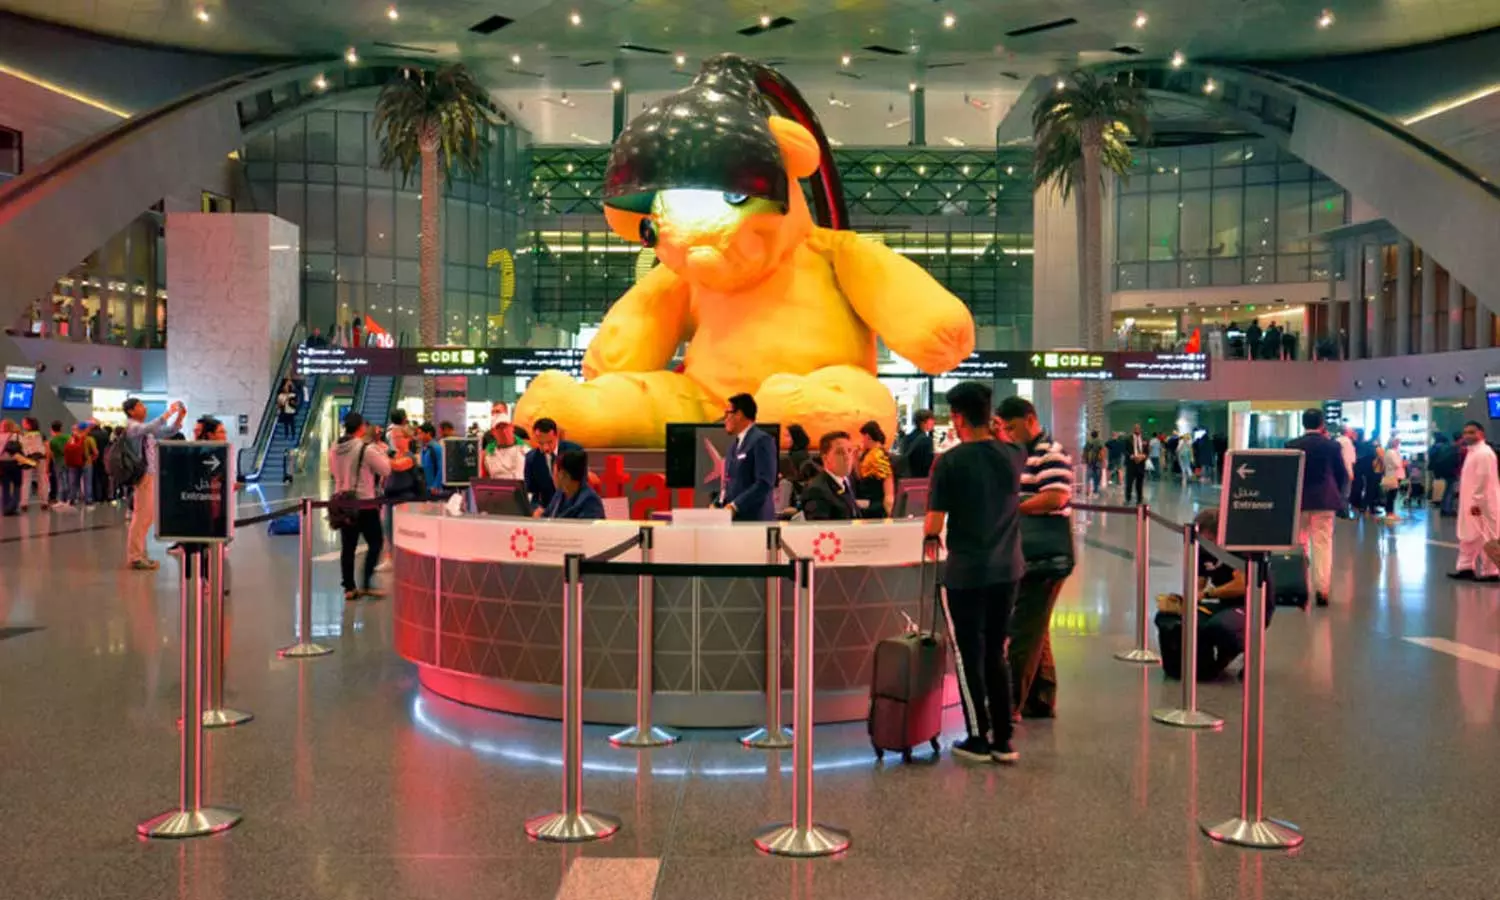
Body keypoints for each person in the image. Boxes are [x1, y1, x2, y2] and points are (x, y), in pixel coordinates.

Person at [923, 381, 1024, 765]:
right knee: (997, 651)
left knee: (969, 655)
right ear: (990, 415)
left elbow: (934, 523)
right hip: (1008, 569)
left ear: (957, 418)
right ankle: (1004, 740)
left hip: (967, 572)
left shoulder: (949, 462)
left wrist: (930, 533)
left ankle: (978, 738)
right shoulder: (1014, 454)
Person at [997, 396, 1074, 721]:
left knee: (1023, 632)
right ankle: (1041, 698)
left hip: (1047, 557)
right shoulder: (1020, 454)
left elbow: (1056, 497)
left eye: (1013, 427)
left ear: (1030, 419)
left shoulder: (1051, 453)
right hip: (1028, 554)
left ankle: (1008, 705)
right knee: (1035, 627)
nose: (1009, 433)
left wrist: (1012, 507)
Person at [330, 412, 413, 601]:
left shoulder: (335, 447)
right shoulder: (365, 449)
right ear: (361, 427)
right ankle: (366, 583)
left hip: (343, 502)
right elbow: (386, 469)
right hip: (365, 503)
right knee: (375, 542)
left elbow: (334, 471)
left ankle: (349, 588)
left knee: (348, 546)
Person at [1287, 408, 1349, 607]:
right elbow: (1341, 473)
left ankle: (1300, 586)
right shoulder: (1332, 446)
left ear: (1303, 423)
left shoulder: (1291, 445)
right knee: (1322, 544)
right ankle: (1322, 589)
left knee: (1299, 543)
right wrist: (1338, 495)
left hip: (1299, 501)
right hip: (1324, 501)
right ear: (1322, 424)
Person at [124, 398, 187, 570]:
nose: (144, 408)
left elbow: (169, 431)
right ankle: (135, 556)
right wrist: (169, 412)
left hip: (150, 475)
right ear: (131, 411)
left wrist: (179, 417)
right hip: (143, 476)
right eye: (140, 406)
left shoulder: (145, 430)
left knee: (147, 515)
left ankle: (139, 553)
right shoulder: (133, 427)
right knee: (142, 516)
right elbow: (151, 427)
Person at [1448, 422, 1499, 583]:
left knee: (1486, 536)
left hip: (1482, 504)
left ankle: (1491, 571)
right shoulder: (1473, 452)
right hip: (1471, 503)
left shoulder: (1484, 453)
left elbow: (1483, 478)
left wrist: (1476, 501)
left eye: (1471, 432)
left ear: (1481, 434)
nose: (1467, 436)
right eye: (1465, 433)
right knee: (1468, 535)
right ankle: (1465, 568)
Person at [716, 393, 776, 522]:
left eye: (727, 414)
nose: (725, 420)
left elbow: (764, 482)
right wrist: (717, 503)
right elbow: (729, 484)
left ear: (739, 414)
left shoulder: (761, 440)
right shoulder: (733, 446)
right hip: (735, 521)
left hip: (755, 521)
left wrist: (735, 506)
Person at [523, 417, 581, 509]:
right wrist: (536, 508)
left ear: (556, 435)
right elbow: (531, 491)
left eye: (550, 442)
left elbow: (581, 485)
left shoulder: (574, 451)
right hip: (547, 509)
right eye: (540, 443)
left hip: (573, 507)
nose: (545, 448)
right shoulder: (531, 458)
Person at [800, 431, 859, 521]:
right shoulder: (816, 490)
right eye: (840, 452)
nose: (847, 457)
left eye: (849, 450)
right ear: (825, 458)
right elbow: (819, 527)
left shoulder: (848, 480)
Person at [541, 449, 605, 519]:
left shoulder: (590, 501)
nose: (552, 477)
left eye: (554, 473)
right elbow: (545, 517)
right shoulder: (559, 494)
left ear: (564, 475)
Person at [854, 420, 894, 518]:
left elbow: (887, 478)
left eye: (862, 437)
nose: (862, 441)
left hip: (875, 503)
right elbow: (860, 475)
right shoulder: (872, 453)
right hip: (871, 500)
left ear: (868, 437)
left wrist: (889, 503)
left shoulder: (876, 455)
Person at [481, 410, 526, 480]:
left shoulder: (526, 451)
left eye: (506, 426)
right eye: (499, 428)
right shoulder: (488, 456)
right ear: (493, 432)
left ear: (512, 427)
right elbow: (483, 480)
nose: (504, 431)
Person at [62, 422, 97, 510]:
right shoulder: (89, 439)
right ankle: (88, 500)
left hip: (73, 463)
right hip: (86, 463)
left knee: (73, 482)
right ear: (86, 429)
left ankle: (72, 499)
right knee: (87, 482)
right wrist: (91, 459)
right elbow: (96, 452)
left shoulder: (72, 439)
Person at [18, 416, 47, 511]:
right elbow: (46, 446)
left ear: (29, 425)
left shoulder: (22, 435)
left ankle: (24, 503)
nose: (22, 424)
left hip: (28, 458)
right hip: (40, 458)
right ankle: (44, 502)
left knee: (26, 480)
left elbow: (21, 448)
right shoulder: (41, 434)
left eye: (24, 423)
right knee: (42, 479)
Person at [1380, 436, 1407, 523]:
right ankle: (1389, 513)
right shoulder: (1391, 452)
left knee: (1392, 494)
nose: (1398, 444)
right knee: (1391, 494)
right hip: (1394, 475)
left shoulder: (1391, 452)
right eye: (1397, 442)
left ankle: (1390, 512)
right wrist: (1403, 463)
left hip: (1394, 475)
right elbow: (1397, 464)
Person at [904, 410, 936, 478]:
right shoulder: (927, 440)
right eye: (931, 419)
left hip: (907, 476)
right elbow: (928, 463)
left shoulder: (907, 437)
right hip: (920, 478)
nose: (934, 422)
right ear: (922, 423)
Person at [1336, 426, 1357, 517]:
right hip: (1346, 469)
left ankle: (1339, 510)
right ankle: (1344, 512)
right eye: (1351, 431)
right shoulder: (1347, 442)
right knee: (1346, 491)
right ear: (1347, 432)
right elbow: (1347, 458)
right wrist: (1350, 472)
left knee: (1340, 490)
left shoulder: (1337, 440)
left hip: (1338, 468)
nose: (1353, 432)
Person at [47, 420, 68, 507]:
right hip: (69, 461)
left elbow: (50, 454)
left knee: (61, 481)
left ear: (52, 429)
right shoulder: (68, 437)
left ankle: (61, 499)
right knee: (68, 480)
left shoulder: (52, 441)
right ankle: (69, 499)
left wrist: (48, 466)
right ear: (61, 428)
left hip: (58, 462)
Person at [1125, 424, 1148, 504]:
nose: (1137, 429)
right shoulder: (1128, 439)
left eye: (1138, 428)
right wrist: (1131, 456)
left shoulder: (1144, 439)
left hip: (1141, 464)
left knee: (1140, 483)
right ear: (1133, 429)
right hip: (1131, 464)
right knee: (1129, 483)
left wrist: (1144, 456)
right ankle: (1128, 499)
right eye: (1135, 428)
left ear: (1140, 429)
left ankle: (1139, 499)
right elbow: (1125, 450)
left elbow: (1147, 451)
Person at [1082, 430, 1105, 496]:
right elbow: (1101, 451)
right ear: (1097, 435)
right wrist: (1103, 460)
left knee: (1088, 477)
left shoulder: (1088, 442)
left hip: (1089, 462)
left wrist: (1084, 459)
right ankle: (1095, 491)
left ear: (1091, 435)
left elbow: (1085, 451)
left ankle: (1087, 490)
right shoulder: (1099, 442)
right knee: (1097, 477)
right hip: (1097, 462)